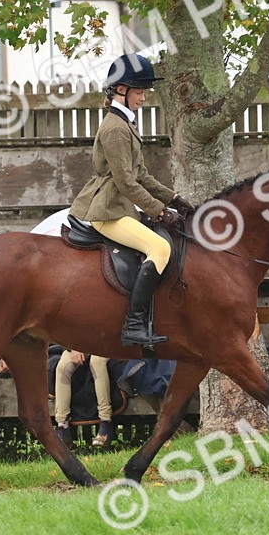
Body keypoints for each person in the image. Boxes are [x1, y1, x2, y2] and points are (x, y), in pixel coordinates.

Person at [70, 52, 194, 347]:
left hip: (120, 206)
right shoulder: (114, 128)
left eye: (144, 92)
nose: (143, 98)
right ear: (121, 91)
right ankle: (133, 325)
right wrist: (160, 212)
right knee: (160, 248)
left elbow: (142, 176)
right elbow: (126, 182)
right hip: (107, 210)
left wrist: (174, 199)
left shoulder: (125, 124)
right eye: (140, 92)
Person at [54, 350, 113, 448]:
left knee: (97, 361)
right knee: (63, 367)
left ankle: (105, 422)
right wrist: (72, 347)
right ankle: (62, 426)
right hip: (82, 344)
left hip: (106, 344)